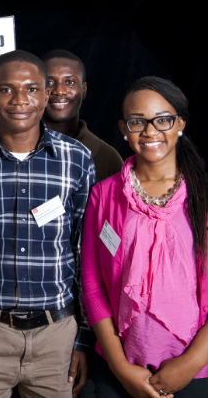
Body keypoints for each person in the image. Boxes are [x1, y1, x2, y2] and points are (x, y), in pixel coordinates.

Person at [0, 50, 95, 398]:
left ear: (45, 95)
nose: (20, 99)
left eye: (31, 89)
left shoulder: (77, 159)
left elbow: (84, 251)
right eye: (7, 89)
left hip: (57, 336)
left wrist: (84, 336)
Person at [81, 76, 208, 398]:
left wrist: (189, 365)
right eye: (138, 122)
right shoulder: (104, 196)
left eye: (162, 120)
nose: (151, 132)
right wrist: (121, 367)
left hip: (195, 370)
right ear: (124, 128)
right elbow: (93, 286)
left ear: (180, 123)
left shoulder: (203, 195)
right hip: (120, 370)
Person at [42, 49, 123, 181]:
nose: (59, 91)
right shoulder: (17, 148)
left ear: (83, 90)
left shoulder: (107, 158)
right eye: (49, 82)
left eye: (69, 82)